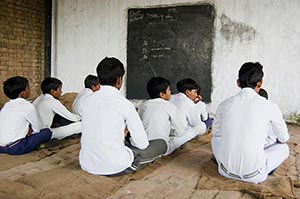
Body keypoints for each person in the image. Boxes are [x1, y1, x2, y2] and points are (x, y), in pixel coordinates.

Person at [79, 57, 167, 176]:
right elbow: (142, 144)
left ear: (98, 79)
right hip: (115, 166)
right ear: (120, 80)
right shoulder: (124, 103)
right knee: (161, 144)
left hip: (86, 163)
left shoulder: (86, 101)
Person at [212, 62, 289, 184]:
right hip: (254, 175)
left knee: (216, 139)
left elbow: (216, 134)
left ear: (238, 82)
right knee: (284, 148)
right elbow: (284, 138)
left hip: (225, 171)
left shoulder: (223, 105)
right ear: (260, 83)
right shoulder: (270, 106)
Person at [138, 76, 200, 156]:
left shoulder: (143, 105)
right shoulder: (169, 106)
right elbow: (180, 132)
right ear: (162, 94)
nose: (170, 92)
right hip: (161, 148)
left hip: (144, 144)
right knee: (191, 131)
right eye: (169, 90)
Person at [0, 76, 52, 155]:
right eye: (28, 88)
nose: (29, 90)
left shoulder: (6, 106)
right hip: (16, 148)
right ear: (22, 93)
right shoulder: (27, 106)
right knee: (47, 132)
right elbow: (37, 129)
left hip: (1, 147)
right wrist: (29, 132)